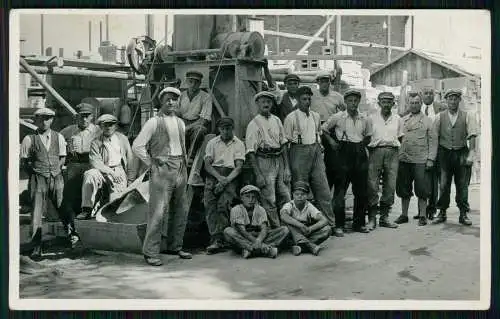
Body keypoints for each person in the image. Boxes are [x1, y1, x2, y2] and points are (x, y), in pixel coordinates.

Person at [132, 87, 192, 266]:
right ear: (161, 101)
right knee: (158, 211)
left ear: (178, 102)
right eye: (167, 99)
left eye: (174, 99)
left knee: (180, 209)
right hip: (162, 168)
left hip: (180, 166)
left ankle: (175, 246)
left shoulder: (181, 122)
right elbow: (137, 146)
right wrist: (151, 162)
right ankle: (150, 252)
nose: (171, 102)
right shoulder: (153, 122)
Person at [20, 107, 82, 260]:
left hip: (57, 177)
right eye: (41, 118)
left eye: (48, 118)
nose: (44, 121)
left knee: (64, 207)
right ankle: (36, 246)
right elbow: (24, 162)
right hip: (38, 178)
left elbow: (62, 157)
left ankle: (73, 238)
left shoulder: (59, 137)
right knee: (36, 212)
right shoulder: (29, 139)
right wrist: (36, 172)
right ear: (36, 119)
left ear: (52, 120)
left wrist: (56, 170)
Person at [322, 89, 373, 236]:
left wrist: (361, 147)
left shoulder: (365, 118)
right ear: (345, 102)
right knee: (340, 190)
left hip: (359, 153)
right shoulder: (338, 117)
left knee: (361, 191)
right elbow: (324, 129)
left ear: (359, 102)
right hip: (343, 154)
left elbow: (368, 136)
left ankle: (359, 223)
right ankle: (339, 224)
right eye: (350, 100)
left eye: (355, 100)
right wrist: (332, 142)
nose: (353, 103)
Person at [283, 86, 335, 228]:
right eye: (304, 99)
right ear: (298, 100)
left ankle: (329, 224)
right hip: (298, 154)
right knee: (300, 192)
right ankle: (299, 226)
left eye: (309, 99)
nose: (307, 102)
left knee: (323, 189)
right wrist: (287, 167)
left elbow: (319, 135)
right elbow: (285, 144)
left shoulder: (315, 116)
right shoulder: (291, 118)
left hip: (315, 153)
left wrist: (320, 150)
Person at [432, 89, 478, 226]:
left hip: (461, 152)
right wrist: (433, 157)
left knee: (462, 185)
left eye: (455, 99)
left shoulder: (468, 115)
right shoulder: (439, 117)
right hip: (444, 153)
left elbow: (473, 135)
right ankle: (442, 212)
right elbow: (434, 137)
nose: (452, 101)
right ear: (446, 100)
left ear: (459, 100)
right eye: (450, 99)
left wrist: (471, 154)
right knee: (444, 184)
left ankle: (463, 214)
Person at [246, 91, 291, 228]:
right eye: (263, 102)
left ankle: (288, 228)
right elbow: (250, 152)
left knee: (286, 196)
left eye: (268, 102)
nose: (266, 104)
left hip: (279, 160)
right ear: (258, 104)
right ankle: (276, 230)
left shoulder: (276, 120)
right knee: (269, 199)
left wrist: (287, 168)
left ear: (272, 104)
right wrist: (258, 174)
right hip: (264, 161)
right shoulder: (253, 124)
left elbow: (283, 144)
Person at [77, 114, 136, 220]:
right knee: (90, 174)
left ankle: (112, 213)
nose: (108, 127)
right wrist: (110, 172)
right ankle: (86, 209)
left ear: (116, 126)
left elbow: (131, 160)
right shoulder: (96, 142)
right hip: (103, 171)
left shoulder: (122, 139)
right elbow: (95, 162)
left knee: (115, 204)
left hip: (119, 171)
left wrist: (130, 180)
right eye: (105, 125)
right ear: (101, 127)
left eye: (111, 125)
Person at [394, 92, 437, 226]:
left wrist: (430, 159)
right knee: (404, 188)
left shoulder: (428, 121)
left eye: (417, 103)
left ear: (421, 103)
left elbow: (433, 141)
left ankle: (423, 215)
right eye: (412, 103)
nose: (414, 105)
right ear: (408, 104)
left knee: (422, 189)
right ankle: (404, 214)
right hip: (405, 159)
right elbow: (397, 138)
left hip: (421, 160)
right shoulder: (402, 120)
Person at [203, 117, 245, 254]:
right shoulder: (212, 142)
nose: (226, 131)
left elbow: (238, 168)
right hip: (214, 174)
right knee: (210, 205)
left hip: (230, 175)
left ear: (232, 128)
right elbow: (207, 164)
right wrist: (219, 178)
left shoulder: (238, 143)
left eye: (228, 128)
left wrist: (225, 181)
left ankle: (224, 238)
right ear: (219, 129)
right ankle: (215, 239)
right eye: (223, 129)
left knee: (223, 205)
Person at [366, 92, 402, 230]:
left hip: (392, 151)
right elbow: (367, 138)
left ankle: (385, 217)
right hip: (376, 151)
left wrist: (395, 151)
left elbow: (400, 138)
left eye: (389, 102)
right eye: (384, 101)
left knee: (390, 185)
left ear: (393, 104)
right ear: (379, 103)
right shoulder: (371, 119)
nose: (386, 104)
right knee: (372, 184)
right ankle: (372, 218)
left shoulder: (398, 119)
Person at [223, 185, 290, 259]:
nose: (251, 200)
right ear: (241, 198)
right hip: (243, 237)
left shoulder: (260, 209)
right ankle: (265, 249)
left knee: (284, 230)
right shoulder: (236, 209)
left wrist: (258, 240)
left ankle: (249, 250)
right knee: (228, 231)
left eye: (253, 197)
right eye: (247, 196)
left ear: (256, 198)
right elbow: (242, 231)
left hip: (258, 236)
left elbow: (264, 229)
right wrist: (260, 244)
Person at [60, 103, 101, 220]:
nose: (84, 119)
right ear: (77, 116)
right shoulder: (69, 130)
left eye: (87, 116)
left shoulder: (98, 131)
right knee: (72, 188)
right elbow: (57, 141)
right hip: (74, 164)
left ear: (92, 116)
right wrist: (66, 148)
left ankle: (90, 211)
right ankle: (72, 214)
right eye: (81, 116)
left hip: (91, 163)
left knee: (89, 186)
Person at [414, 87, 446, 220]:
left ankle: (432, 209)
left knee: (434, 180)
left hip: (437, 149)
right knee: (422, 180)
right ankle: (422, 211)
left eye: (430, 93)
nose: (428, 96)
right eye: (425, 93)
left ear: (434, 95)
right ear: (421, 95)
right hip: (420, 149)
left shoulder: (441, 108)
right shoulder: (416, 107)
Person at [311, 71, 345, 188]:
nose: (325, 84)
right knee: (316, 157)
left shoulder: (337, 96)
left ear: (330, 82)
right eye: (322, 81)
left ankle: (330, 183)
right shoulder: (312, 96)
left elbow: (344, 112)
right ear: (318, 82)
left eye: (327, 81)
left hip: (331, 129)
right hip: (315, 128)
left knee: (332, 158)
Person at [280, 181, 331, 256]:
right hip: (291, 235)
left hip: (304, 233)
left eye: (303, 194)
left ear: (307, 196)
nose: (299, 196)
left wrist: (311, 229)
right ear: (293, 195)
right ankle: (310, 245)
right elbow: (283, 216)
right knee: (288, 224)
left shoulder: (309, 206)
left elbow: (324, 220)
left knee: (327, 229)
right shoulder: (289, 205)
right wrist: (300, 225)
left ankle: (299, 247)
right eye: (297, 194)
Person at [177, 70, 213, 163]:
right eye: (190, 81)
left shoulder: (206, 97)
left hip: (197, 123)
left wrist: (187, 128)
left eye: (196, 82)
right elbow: (176, 113)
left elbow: (204, 120)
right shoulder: (180, 95)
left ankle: (191, 156)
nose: (193, 85)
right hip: (183, 121)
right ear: (186, 82)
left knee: (199, 131)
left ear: (200, 83)